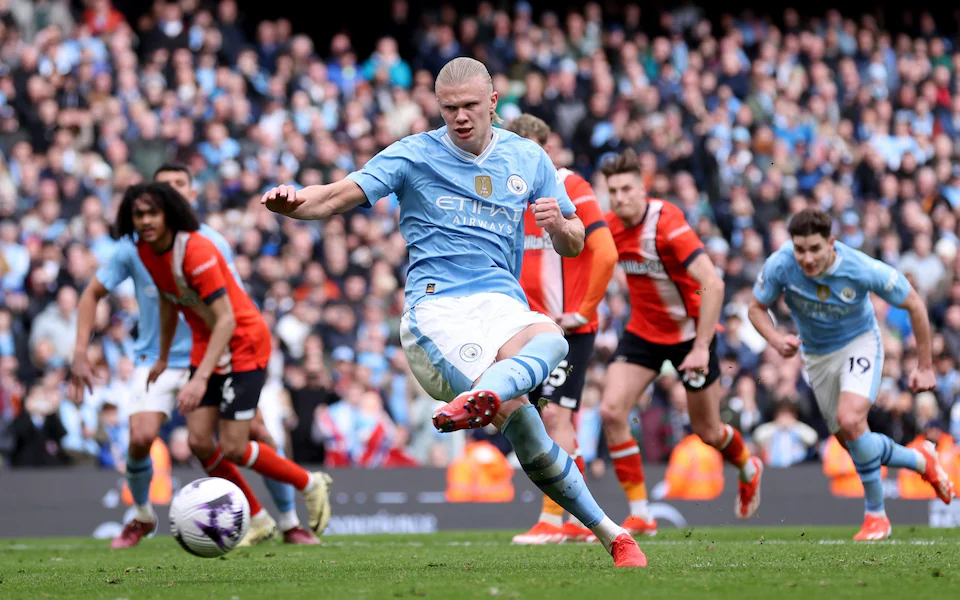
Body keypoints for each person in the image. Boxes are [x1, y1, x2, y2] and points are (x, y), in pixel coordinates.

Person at [261, 56, 646, 568]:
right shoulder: (413, 155)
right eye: (449, 109)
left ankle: (615, 536)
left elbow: (576, 243)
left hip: (500, 302)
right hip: (436, 309)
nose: (460, 117)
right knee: (527, 400)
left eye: (469, 106)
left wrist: (558, 227)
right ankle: (489, 392)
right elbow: (333, 197)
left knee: (551, 347)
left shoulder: (529, 159)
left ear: (492, 103)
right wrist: (293, 201)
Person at [70, 163, 319, 548]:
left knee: (254, 434)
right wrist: (80, 352)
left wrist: (239, 357)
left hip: (218, 354)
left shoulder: (208, 244)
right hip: (159, 357)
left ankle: (288, 521)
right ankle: (141, 516)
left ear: (190, 194)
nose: (169, 194)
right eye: (162, 188)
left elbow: (229, 310)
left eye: (178, 186)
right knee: (141, 437)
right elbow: (97, 294)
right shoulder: (136, 247)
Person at [748, 207, 954, 540]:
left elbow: (914, 303)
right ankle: (921, 461)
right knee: (853, 441)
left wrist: (926, 365)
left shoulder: (860, 267)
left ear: (831, 243)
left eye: (815, 248)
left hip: (859, 344)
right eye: (800, 249)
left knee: (850, 419)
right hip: (817, 357)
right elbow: (756, 308)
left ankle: (876, 516)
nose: (807, 257)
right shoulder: (781, 264)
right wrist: (774, 338)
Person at [598, 149, 763, 536]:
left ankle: (747, 466)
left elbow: (714, 283)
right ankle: (641, 512)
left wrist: (702, 346)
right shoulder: (608, 227)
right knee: (610, 411)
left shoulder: (667, 222)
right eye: (613, 191)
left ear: (642, 189)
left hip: (691, 335)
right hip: (643, 332)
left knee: (707, 431)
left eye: (626, 189)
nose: (620, 197)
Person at [507, 114, 618, 545]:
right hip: (527, 329)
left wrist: (581, 309)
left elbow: (604, 253)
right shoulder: (506, 191)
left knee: (554, 415)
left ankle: (553, 521)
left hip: (568, 329)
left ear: (546, 150)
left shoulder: (570, 186)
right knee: (541, 418)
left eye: (532, 150)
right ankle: (576, 521)